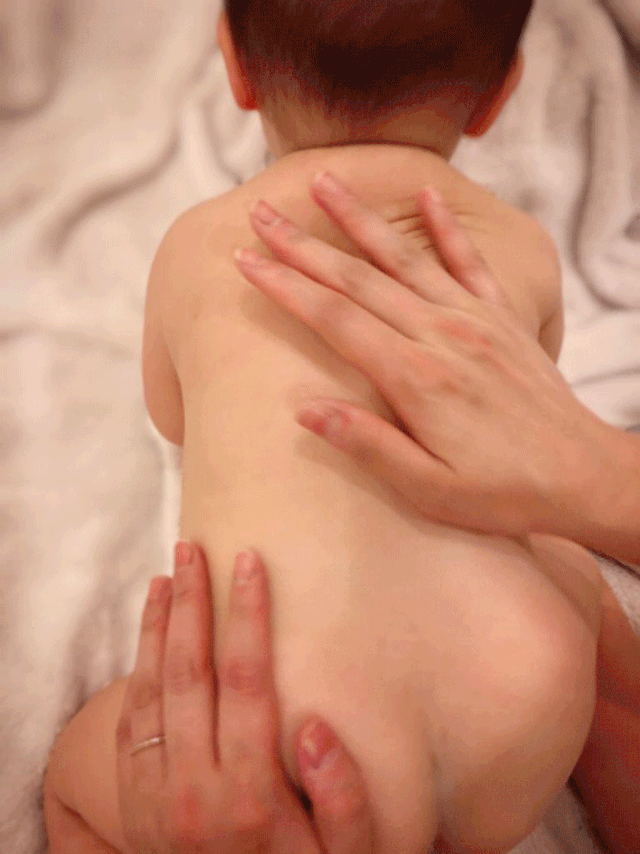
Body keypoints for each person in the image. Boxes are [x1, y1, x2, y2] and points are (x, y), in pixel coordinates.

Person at [43, 1, 610, 852]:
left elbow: (172, 415)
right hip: (526, 704)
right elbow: (525, 415)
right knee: (561, 560)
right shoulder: (521, 244)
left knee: (73, 778)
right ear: (500, 94)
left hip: (283, 730)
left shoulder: (199, 242)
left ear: (235, 67)